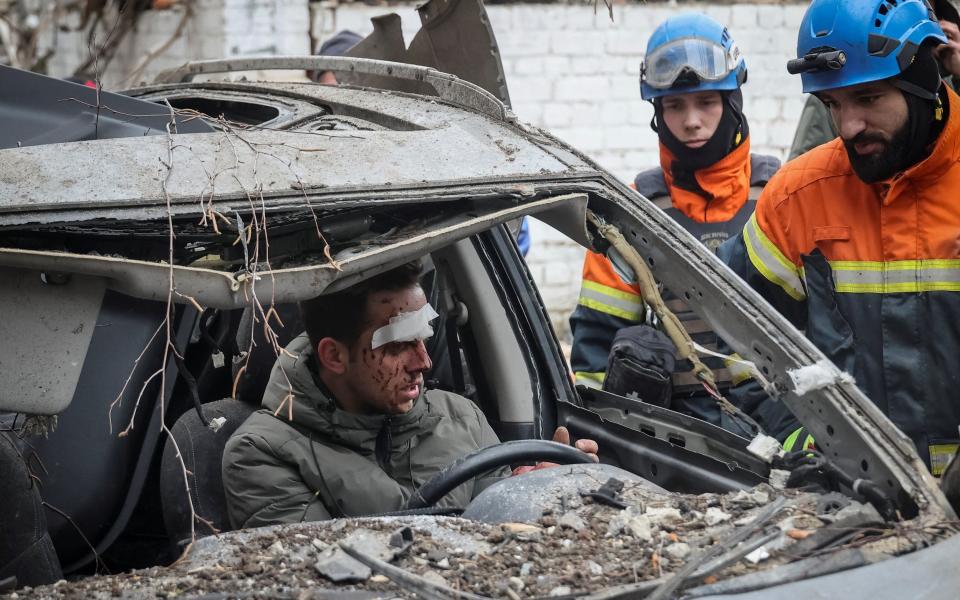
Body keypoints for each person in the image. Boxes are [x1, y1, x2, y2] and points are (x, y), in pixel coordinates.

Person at [720, 0, 960, 473]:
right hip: (855, 505)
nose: (849, 126)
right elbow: (740, 343)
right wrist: (807, 441)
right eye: (832, 104)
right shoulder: (797, 197)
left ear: (925, 79)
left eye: (869, 98)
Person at [222, 261, 598, 528]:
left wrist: (535, 493)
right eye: (399, 344)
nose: (423, 362)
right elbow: (323, 577)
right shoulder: (259, 453)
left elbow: (501, 535)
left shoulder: (461, 416)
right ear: (334, 356)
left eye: (424, 338)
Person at [569, 13, 779, 426]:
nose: (691, 121)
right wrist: (599, 429)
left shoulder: (779, 197)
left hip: (778, 418)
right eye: (674, 106)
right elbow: (596, 339)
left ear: (733, 100)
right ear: (657, 112)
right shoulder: (633, 210)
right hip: (678, 433)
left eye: (707, 101)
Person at [788, 0, 960, 159]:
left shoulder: (946, 73)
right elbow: (810, 168)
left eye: (868, 99)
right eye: (832, 104)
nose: (848, 130)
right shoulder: (835, 86)